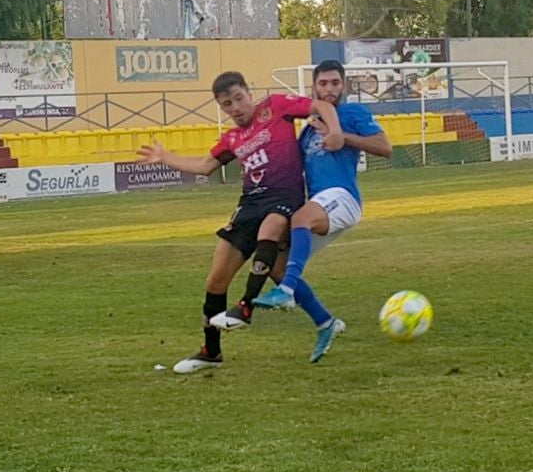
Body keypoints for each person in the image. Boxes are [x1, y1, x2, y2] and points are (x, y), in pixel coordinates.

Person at [135, 71, 344, 374]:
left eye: (238, 98)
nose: (235, 107)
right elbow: (205, 166)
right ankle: (211, 351)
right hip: (249, 204)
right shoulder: (232, 138)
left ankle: (246, 307)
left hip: (283, 198)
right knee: (219, 279)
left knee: (270, 231)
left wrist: (334, 130)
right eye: (226, 104)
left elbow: (321, 107)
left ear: (249, 92)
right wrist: (166, 157)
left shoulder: (276, 106)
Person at [253, 60, 393, 362]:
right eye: (323, 84)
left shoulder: (352, 113)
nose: (329, 89)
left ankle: (288, 291)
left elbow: (385, 146)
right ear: (314, 87)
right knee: (277, 266)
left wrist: (343, 137)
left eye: (335, 83)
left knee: (300, 219)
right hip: (320, 204)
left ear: (344, 86)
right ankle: (325, 322)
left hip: (342, 196)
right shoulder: (307, 131)